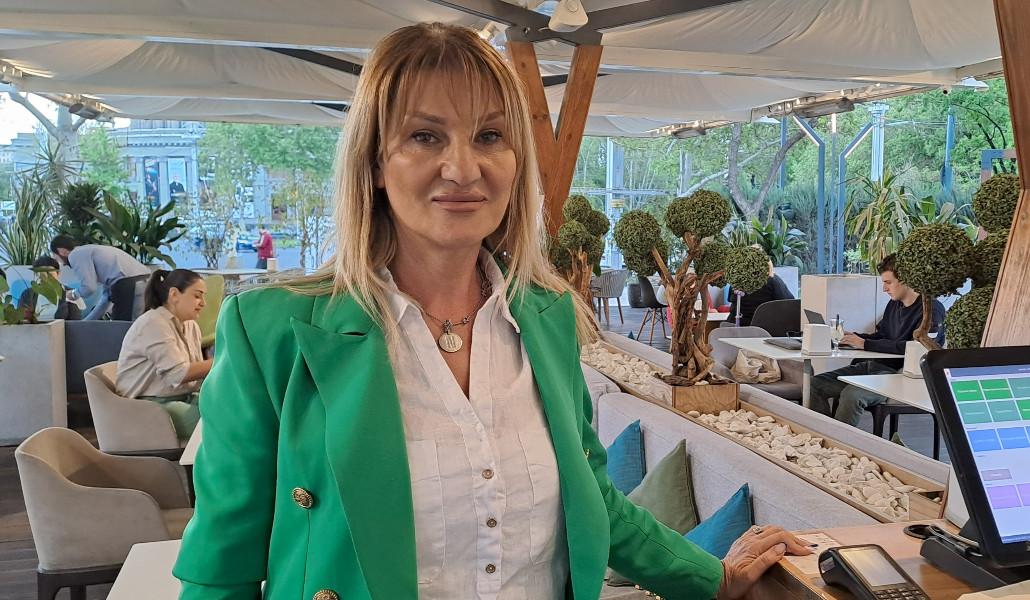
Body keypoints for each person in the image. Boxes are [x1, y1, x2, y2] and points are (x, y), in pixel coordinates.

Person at [173, 23, 809, 600]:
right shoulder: (272, 331)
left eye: (489, 136)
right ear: (375, 163)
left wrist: (714, 579)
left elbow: (594, 503)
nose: (462, 168)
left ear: (515, 162)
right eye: (424, 136)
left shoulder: (547, 316)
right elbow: (221, 571)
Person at [809, 254, 945, 425]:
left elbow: (919, 348)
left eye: (888, 282)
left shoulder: (932, 310)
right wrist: (854, 338)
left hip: (898, 376)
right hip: (873, 367)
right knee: (814, 384)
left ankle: (839, 440)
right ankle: (820, 433)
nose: (884, 289)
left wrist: (865, 344)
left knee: (852, 395)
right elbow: (882, 336)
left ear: (906, 280)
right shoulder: (894, 304)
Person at [116, 269, 211, 440]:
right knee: (219, 423)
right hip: (147, 405)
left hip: (183, 398)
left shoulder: (191, 326)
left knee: (231, 409)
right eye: (197, 296)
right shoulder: (153, 323)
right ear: (174, 294)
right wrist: (223, 361)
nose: (203, 303)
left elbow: (196, 376)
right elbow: (178, 374)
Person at [50, 235, 151, 321]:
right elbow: (105, 299)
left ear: (61, 251)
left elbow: (89, 287)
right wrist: (85, 324)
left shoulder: (75, 255)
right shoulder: (89, 251)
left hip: (129, 285)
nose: (56, 260)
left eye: (55, 256)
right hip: (143, 281)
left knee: (123, 329)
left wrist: (73, 294)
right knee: (133, 327)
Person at [733, 256, 793, 326]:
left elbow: (731, 300)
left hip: (735, 327)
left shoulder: (736, 281)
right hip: (762, 327)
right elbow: (790, 304)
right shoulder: (772, 281)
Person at [17, 256, 82, 321]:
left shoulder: (71, 293)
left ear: (58, 273)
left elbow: (75, 320)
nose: (46, 277)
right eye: (42, 274)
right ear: (36, 274)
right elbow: (21, 318)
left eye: (49, 273)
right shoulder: (27, 294)